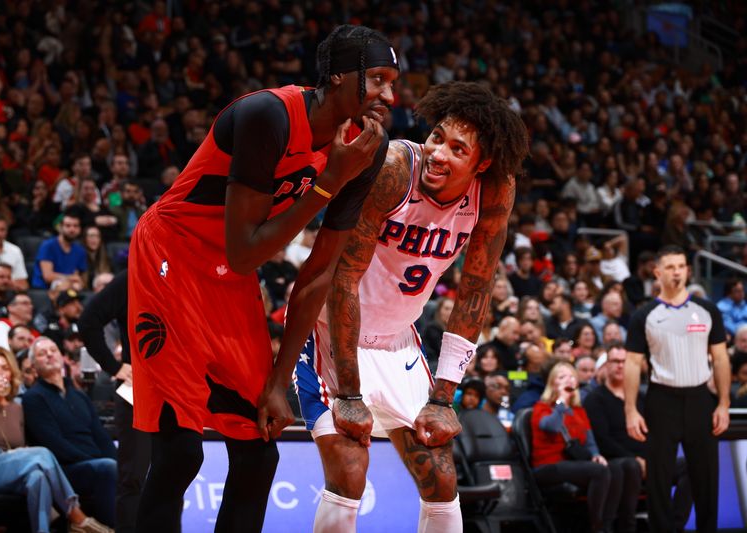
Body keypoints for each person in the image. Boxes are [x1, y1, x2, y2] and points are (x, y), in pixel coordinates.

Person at [128, 24, 398, 533]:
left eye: (393, 81)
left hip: (228, 277)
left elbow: (318, 274)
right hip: (173, 255)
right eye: (379, 79)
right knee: (181, 452)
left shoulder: (367, 146)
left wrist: (279, 380)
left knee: (258, 452)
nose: (390, 94)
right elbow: (246, 250)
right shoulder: (266, 116)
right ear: (339, 77)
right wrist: (326, 184)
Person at [295, 81, 528, 532]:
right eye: (437, 136)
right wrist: (348, 393)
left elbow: (476, 290)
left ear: (482, 164)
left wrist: (444, 397)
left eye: (458, 149)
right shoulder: (395, 168)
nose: (439, 153)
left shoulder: (495, 190)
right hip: (329, 329)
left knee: (442, 480)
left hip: (399, 341)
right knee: (349, 470)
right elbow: (343, 278)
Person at [625, 245, 730, 533]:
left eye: (681, 266)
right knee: (659, 479)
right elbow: (632, 364)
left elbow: (720, 358)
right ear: (657, 272)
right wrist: (631, 409)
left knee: (707, 478)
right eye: (670, 267)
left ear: (687, 270)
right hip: (661, 400)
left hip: (700, 398)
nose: (676, 272)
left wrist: (722, 403)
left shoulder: (707, 310)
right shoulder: (644, 315)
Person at [0, 346, 111, 533]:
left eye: (5, 368)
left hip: (7, 461)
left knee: (37, 477)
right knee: (42, 453)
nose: (0, 374)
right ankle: (75, 515)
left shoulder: (16, 406)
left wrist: (19, 452)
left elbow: (19, 445)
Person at [584, 342, 692, 531]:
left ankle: (674, 526)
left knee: (692, 465)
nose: (619, 366)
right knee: (631, 466)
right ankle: (627, 526)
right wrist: (637, 459)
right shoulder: (595, 399)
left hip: (648, 460)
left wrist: (653, 458)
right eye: (614, 361)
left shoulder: (641, 397)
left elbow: (656, 432)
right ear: (606, 366)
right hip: (617, 462)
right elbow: (602, 439)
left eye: (624, 362)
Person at [79, 269, 150, 533]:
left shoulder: (188, 274)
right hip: (137, 391)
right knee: (133, 477)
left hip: (176, 391)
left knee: (172, 476)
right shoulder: (133, 277)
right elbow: (88, 320)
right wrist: (114, 366)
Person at [22, 337, 117, 528]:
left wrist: (121, 465)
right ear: (33, 366)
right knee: (107, 467)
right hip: (64, 469)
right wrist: (96, 460)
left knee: (126, 471)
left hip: (93, 463)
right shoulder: (33, 398)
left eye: (53, 350)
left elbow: (101, 437)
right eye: (42, 353)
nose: (49, 354)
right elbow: (53, 444)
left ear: (62, 357)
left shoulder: (79, 395)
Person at [531, 361, 636, 533]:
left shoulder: (579, 411)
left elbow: (589, 440)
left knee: (614, 468)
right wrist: (561, 404)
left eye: (572, 376)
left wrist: (596, 455)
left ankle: (609, 525)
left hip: (573, 463)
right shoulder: (541, 407)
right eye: (562, 377)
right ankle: (597, 527)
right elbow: (552, 426)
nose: (568, 380)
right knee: (599, 471)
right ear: (552, 383)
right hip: (547, 465)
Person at [31, 213, 87, 290]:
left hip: (70, 287)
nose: (72, 229)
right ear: (60, 227)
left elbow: (77, 276)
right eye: (68, 225)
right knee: (65, 286)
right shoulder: (48, 246)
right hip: (45, 289)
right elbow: (48, 276)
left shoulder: (80, 250)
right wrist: (70, 278)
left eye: (75, 226)